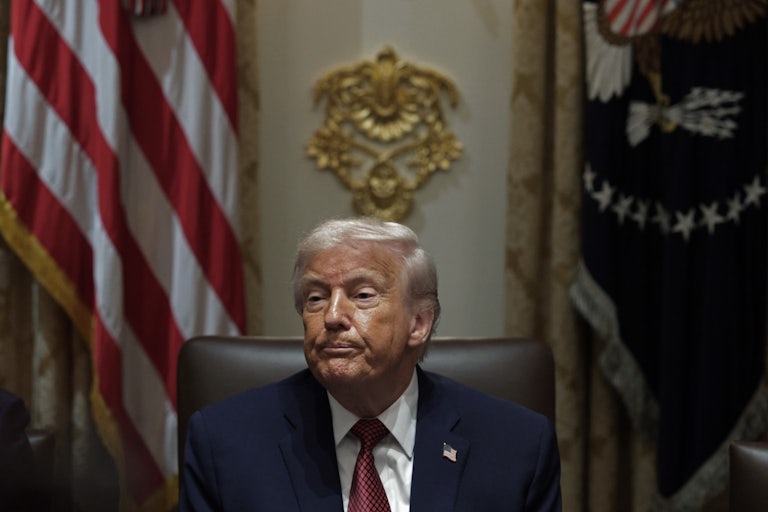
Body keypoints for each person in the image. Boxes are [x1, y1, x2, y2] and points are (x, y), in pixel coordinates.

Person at [180, 217, 562, 511]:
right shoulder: (224, 444)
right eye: (315, 298)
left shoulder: (516, 446)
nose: (332, 316)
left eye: (362, 295)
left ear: (419, 323)